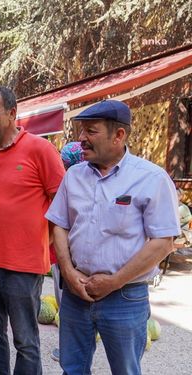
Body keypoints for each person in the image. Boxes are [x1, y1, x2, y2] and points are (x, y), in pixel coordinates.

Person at [45, 100, 179, 374]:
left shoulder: (151, 178)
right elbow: (59, 225)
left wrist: (114, 282)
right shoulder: (74, 176)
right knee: (71, 368)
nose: (81, 139)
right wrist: (69, 272)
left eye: (90, 131)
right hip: (75, 293)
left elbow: (163, 242)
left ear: (119, 135)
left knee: (125, 370)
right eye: (81, 131)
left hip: (125, 296)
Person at [0, 86, 65, 375]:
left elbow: (63, 206)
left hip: (23, 266)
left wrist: (41, 243)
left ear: (12, 113)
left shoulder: (40, 149)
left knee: (25, 341)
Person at [50, 141, 84, 362]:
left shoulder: (68, 183)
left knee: (67, 305)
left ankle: (67, 350)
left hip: (63, 256)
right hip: (73, 256)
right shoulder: (79, 182)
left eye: (64, 161)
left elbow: (57, 224)